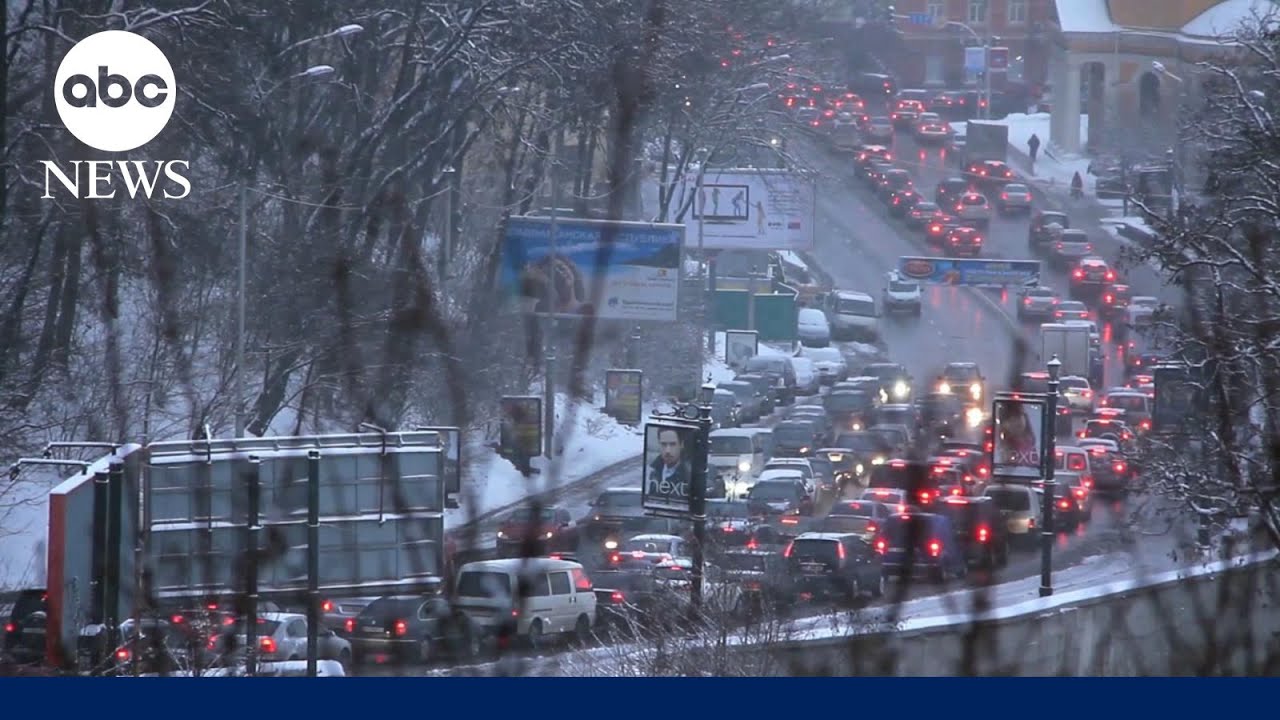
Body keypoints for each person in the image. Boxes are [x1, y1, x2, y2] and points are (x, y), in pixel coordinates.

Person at [648, 427, 692, 500]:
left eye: (673, 444)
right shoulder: (654, 471)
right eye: (663, 444)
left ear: (681, 445)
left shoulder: (689, 474)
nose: (667, 450)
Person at [995, 402, 1039, 470]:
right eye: (1010, 419)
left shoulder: (1034, 441)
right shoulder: (1002, 446)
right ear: (1003, 425)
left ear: (1025, 417)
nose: (1015, 421)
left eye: (1018, 416)